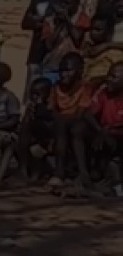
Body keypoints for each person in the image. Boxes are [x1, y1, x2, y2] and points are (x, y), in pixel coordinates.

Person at [49, 52, 95, 194]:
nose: (64, 74)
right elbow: (52, 109)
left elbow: (80, 114)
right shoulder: (56, 87)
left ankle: (80, 172)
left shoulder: (85, 88)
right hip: (61, 123)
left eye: (68, 70)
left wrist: (61, 118)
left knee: (73, 128)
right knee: (60, 126)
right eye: (62, 70)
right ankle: (59, 172)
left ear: (79, 71)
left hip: (78, 123)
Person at [22, 0, 66, 94]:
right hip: (36, 53)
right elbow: (25, 23)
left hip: (56, 55)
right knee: (32, 91)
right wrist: (44, 22)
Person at [88, 62, 123, 195]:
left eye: (114, 77)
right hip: (106, 135)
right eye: (109, 75)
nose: (108, 79)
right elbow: (88, 114)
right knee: (81, 129)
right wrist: (100, 130)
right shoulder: (103, 91)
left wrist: (107, 130)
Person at [16, 77, 57, 182]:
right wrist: (29, 113)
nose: (34, 97)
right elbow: (25, 123)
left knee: (36, 150)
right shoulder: (31, 106)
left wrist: (40, 107)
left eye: (38, 94)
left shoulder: (51, 107)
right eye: (32, 94)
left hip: (47, 139)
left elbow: (50, 125)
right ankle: (23, 171)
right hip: (33, 139)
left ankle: (35, 176)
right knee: (25, 134)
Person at [83, 16, 123, 86]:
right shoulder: (86, 47)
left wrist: (107, 45)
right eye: (91, 29)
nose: (93, 32)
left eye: (98, 30)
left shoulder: (115, 53)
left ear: (109, 32)